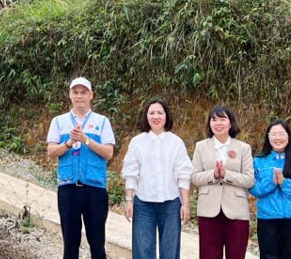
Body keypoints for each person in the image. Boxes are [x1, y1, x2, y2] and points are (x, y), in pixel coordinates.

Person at [47, 76, 116, 259]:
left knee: (97, 243)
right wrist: (69, 143)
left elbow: (108, 153)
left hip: (95, 189)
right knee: (70, 244)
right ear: (70, 95)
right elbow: (51, 151)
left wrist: (86, 140)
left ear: (91, 95)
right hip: (68, 187)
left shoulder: (102, 122)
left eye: (83, 92)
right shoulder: (59, 121)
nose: (79, 96)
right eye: (75, 92)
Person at [121, 98, 192, 259]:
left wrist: (185, 204)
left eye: (160, 112)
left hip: (171, 204)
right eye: (151, 112)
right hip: (144, 204)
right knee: (143, 250)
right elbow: (131, 173)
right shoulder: (137, 142)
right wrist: (129, 200)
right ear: (146, 116)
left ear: (166, 116)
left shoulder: (176, 143)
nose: (156, 116)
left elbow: (184, 175)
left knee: (170, 250)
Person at [191, 106, 254, 259]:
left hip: (237, 210)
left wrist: (226, 174)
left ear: (230, 123)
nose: (218, 123)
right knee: (209, 255)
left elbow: (249, 180)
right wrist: (213, 174)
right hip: (208, 208)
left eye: (222, 119)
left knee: (236, 255)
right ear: (209, 124)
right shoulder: (201, 146)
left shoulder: (243, 148)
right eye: (214, 120)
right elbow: (194, 177)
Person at [249, 119, 291, 259]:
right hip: (268, 220)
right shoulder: (258, 161)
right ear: (268, 137)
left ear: (288, 136)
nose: (277, 138)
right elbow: (253, 188)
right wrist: (271, 183)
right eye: (273, 134)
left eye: (281, 134)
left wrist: (285, 183)